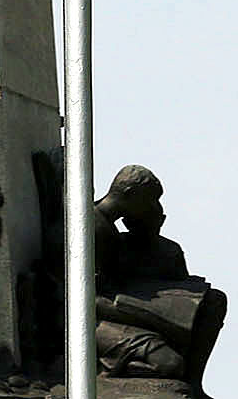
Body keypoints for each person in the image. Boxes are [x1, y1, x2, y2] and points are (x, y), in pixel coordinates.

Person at [93, 165, 228, 396]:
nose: (153, 208)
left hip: (120, 300)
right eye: (149, 201)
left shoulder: (110, 229)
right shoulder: (92, 227)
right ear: (129, 194)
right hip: (97, 316)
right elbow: (83, 298)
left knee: (213, 302)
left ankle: (195, 382)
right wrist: (155, 315)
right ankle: (112, 374)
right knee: (171, 364)